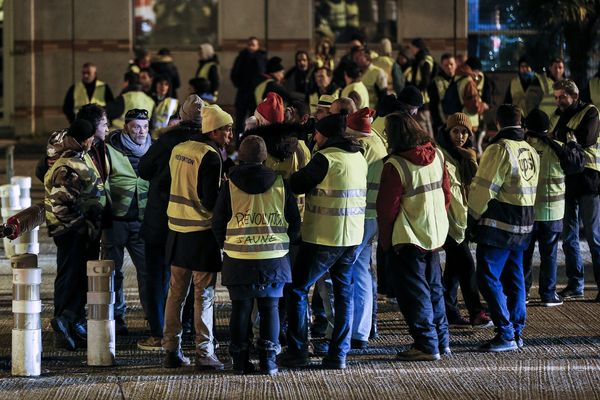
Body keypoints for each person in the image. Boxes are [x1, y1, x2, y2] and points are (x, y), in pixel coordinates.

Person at [282, 111, 368, 370]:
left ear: (326, 135)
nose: (314, 136)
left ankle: (298, 352)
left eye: (317, 132)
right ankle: (338, 355)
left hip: (323, 237)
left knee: (296, 289)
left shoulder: (324, 158)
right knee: (343, 295)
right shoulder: (358, 157)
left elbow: (297, 184)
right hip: (352, 237)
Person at [212, 135, 301, 375]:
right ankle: (269, 361)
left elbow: (218, 221)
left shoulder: (229, 185)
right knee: (270, 307)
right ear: (265, 158)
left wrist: (228, 244)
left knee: (240, 309)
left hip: (238, 256)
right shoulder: (281, 184)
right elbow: (295, 222)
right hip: (274, 257)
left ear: (240, 156)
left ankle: (240, 362)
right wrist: (282, 242)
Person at [162, 104, 233, 370]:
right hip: (201, 234)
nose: (230, 135)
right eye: (226, 130)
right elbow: (209, 200)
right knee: (203, 295)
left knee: (176, 294)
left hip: (176, 231)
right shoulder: (211, 156)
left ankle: (171, 350)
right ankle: (205, 353)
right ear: (213, 131)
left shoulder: (179, 149)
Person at [377, 111, 451, 361]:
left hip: (408, 236)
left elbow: (387, 209)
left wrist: (386, 243)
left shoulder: (395, 165)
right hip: (434, 232)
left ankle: (426, 344)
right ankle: (442, 340)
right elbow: (446, 193)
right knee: (435, 288)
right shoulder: (437, 154)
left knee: (415, 293)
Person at [468, 104, 540, 351]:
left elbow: (483, 189)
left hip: (500, 225)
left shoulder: (499, 149)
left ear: (498, 123)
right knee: (515, 278)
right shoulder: (530, 150)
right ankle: (517, 331)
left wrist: (471, 218)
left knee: (487, 277)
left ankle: (506, 332)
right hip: (525, 223)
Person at [137, 95, 205, 350]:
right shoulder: (207, 143)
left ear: (182, 116)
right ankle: (184, 327)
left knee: (157, 277)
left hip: (160, 217)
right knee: (188, 275)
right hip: (191, 222)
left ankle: (159, 331)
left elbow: (144, 168)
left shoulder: (167, 140)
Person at [44, 119, 103, 350]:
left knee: (73, 277)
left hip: (76, 230)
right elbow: (61, 205)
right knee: (73, 277)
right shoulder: (68, 166)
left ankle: (68, 322)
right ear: (85, 140)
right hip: (72, 231)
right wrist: (82, 226)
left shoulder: (74, 157)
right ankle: (65, 320)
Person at [523, 109, 585, 306]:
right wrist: (573, 143)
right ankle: (548, 295)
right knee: (549, 255)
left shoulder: (522, 148)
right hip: (552, 213)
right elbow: (578, 164)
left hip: (526, 212)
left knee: (524, 254)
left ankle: (522, 293)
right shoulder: (558, 148)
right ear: (548, 128)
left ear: (527, 128)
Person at [435, 113, 492, 328]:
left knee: (453, 269)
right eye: (456, 131)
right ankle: (476, 312)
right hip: (449, 219)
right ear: (447, 132)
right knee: (467, 265)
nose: (460, 136)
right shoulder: (441, 155)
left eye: (464, 132)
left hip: (462, 219)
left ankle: (448, 312)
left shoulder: (468, 156)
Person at [102, 109, 153, 339]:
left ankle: (153, 317)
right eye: (136, 127)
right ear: (126, 128)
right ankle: (116, 316)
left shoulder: (154, 148)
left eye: (144, 126)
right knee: (113, 272)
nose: (141, 131)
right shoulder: (110, 148)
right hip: (115, 220)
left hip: (142, 221)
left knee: (147, 272)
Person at [549, 79, 600, 301]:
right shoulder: (557, 115)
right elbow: (553, 139)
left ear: (575, 96)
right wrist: (567, 137)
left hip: (589, 180)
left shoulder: (591, 112)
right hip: (567, 181)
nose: (558, 101)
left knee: (594, 237)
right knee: (569, 237)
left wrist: (564, 137)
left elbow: (585, 139)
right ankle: (575, 283)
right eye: (556, 97)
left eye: (562, 97)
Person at [343, 105, 387, 349]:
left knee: (346, 272)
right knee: (362, 272)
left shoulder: (361, 148)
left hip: (358, 216)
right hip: (372, 216)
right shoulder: (378, 143)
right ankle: (361, 331)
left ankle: (348, 330)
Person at [231, 36, 267, 132]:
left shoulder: (261, 57)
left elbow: (262, 72)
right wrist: (239, 84)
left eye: (253, 45)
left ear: (258, 46)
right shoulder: (241, 57)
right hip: (243, 92)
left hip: (256, 94)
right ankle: (239, 142)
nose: (251, 47)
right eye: (249, 44)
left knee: (254, 119)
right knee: (240, 120)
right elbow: (234, 73)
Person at [407, 38, 435, 135]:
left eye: (411, 48)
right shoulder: (419, 60)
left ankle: (431, 148)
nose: (410, 50)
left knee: (424, 127)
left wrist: (415, 92)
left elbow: (425, 82)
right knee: (422, 126)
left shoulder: (424, 61)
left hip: (422, 99)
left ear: (417, 48)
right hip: (420, 98)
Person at [428, 53, 456, 132]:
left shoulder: (460, 80)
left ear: (455, 64)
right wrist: (438, 123)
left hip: (460, 121)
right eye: (446, 65)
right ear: (442, 66)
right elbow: (433, 105)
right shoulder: (436, 82)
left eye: (451, 64)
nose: (449, 67)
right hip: (443, 122)